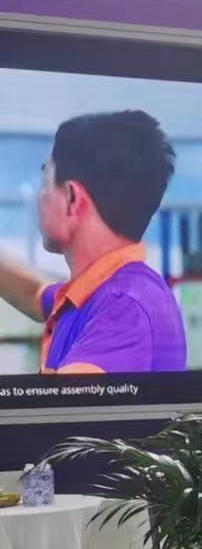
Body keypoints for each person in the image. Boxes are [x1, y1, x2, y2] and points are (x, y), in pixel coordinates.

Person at [0, 111, 187, 374]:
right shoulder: (106, 291)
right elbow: (33, 293)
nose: (41, 196)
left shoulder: (124, 308)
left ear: (72, 199)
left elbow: (65, 401)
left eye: (46, 181)